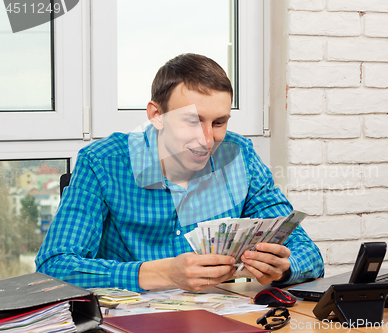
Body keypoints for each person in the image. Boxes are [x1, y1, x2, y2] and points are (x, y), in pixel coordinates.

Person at [35, 53, 324, 292]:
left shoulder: (241, 156)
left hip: (222, 317)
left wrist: (283, 268)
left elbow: (309, 254)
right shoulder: (103, 162)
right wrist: (159, 274)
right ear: (156, 115)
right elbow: (54, 266)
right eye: (192, 121)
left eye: (219, 122)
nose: (207, 140)